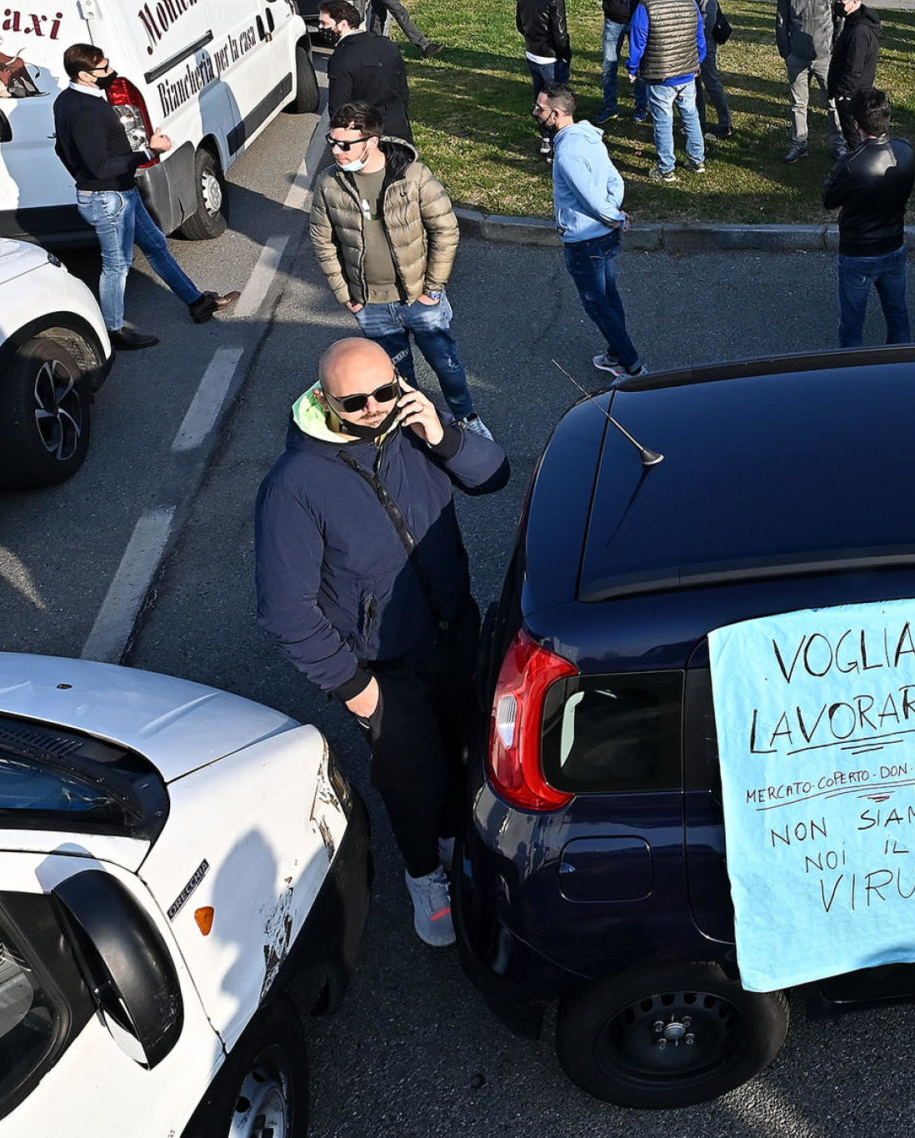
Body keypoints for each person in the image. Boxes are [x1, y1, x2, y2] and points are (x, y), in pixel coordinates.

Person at [253, 334, 509, 945]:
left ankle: (453, 839)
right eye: (354, 400)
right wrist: (354, 688)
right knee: (409, 778)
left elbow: (494, 477)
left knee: (465, 750)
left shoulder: (415, 428)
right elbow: (286, 611)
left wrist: (443, 437)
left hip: (455, 632)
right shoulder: (293, 485)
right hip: (383, 667)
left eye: (383, 392)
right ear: (324, 400)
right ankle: (425, 875)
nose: (372, 407)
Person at [307, 102, 487, 439]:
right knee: (394, 376)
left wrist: (433, 288)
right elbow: (322, 240)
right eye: (332, 141)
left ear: (371, 142)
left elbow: (446, 230)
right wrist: (346, 294)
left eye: (345, 144)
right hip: (371, 305)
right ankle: (412, 429)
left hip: (420, 301)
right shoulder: (329, 183)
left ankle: (466, 418)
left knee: (447, 366)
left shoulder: (413, 176)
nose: (336, 150)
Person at [52, 42, 237, 348]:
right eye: (104, 69)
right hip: (108, 199)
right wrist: (149, 151)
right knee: (116, 266)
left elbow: (62, 150)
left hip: (121, 192)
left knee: (156, 245)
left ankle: (196, 302)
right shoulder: (87, 111)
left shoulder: (66, 100)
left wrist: (84, 177)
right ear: (86, 75)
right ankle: (113, 332)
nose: (111, 72)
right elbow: (100, 166)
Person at [538, 87, 644, 377]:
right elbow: (615, 180)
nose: (536, 113)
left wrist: (613, 217)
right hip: (605, 239)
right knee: (609, 296)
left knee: (598, 306)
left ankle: (631, 365)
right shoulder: (590, 139)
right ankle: (615, 353)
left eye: (540, 109)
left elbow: (589, 199)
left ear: (556, 115)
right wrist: (614, 210)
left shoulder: (567, 155)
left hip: (585, 243)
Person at [824, 89, 915, 346]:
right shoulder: (905, 151)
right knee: (897, 313)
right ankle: (901, 365)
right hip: (893, 243)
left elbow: (828, 199)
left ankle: (853, 373)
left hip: (858, 252)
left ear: (857, 124)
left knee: (852, 321)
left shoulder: (851, 164)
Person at [627, 0, 709, 181]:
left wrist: (633, 68)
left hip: (660, 74)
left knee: (663, 121)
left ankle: (666, 168)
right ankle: (697, 160)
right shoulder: (689, 1)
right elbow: (700, 37)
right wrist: (697, 61)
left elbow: (638, 40)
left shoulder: (647, 4)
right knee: (690, 115)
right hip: (688, 71)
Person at [775, 0, 840, 162]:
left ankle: (839, 144)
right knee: (798, 104)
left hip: (825, 57)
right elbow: (782, 21)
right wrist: (786, 51)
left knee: (833, 104)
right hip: (797, 57)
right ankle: (799, 144)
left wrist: (834, 48)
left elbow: (839, 19)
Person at [315, 0, 411, 142]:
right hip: (398, 125)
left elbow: (339, 108)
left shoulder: (341, 59)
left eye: (324, 23)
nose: (320, 27)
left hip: (365, 132)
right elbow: (403, 88)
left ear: (343, 24)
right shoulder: (387, 44)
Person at [671, 0, 735, 140]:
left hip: (702, 39)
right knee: (694, 81)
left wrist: (700, 43)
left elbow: (709, 14)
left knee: (710, 79)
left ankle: (725, 123)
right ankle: (698, 121)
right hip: (687, 38)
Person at [514, 0, 571, 153]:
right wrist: (565, 55)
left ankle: (545, 138)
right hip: (551, 57)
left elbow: (520, 25)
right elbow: (560, 34)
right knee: (556, 100)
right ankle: (555, 139)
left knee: (539, 96)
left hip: (533, 53)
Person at [591, 0, 642, 122]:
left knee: (639, 65)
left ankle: (641, 105)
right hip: (614, 20)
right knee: (609, 66)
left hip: (635, 20)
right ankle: (610, 105)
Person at [829, 0, 882, 141]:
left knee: (853, 137)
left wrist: (842, 94)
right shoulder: (853, 23)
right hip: (853, 93)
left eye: (841, 0)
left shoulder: (859, 32)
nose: (837, 3)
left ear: (855, 1)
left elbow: (854, 68)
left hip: (852, 96)